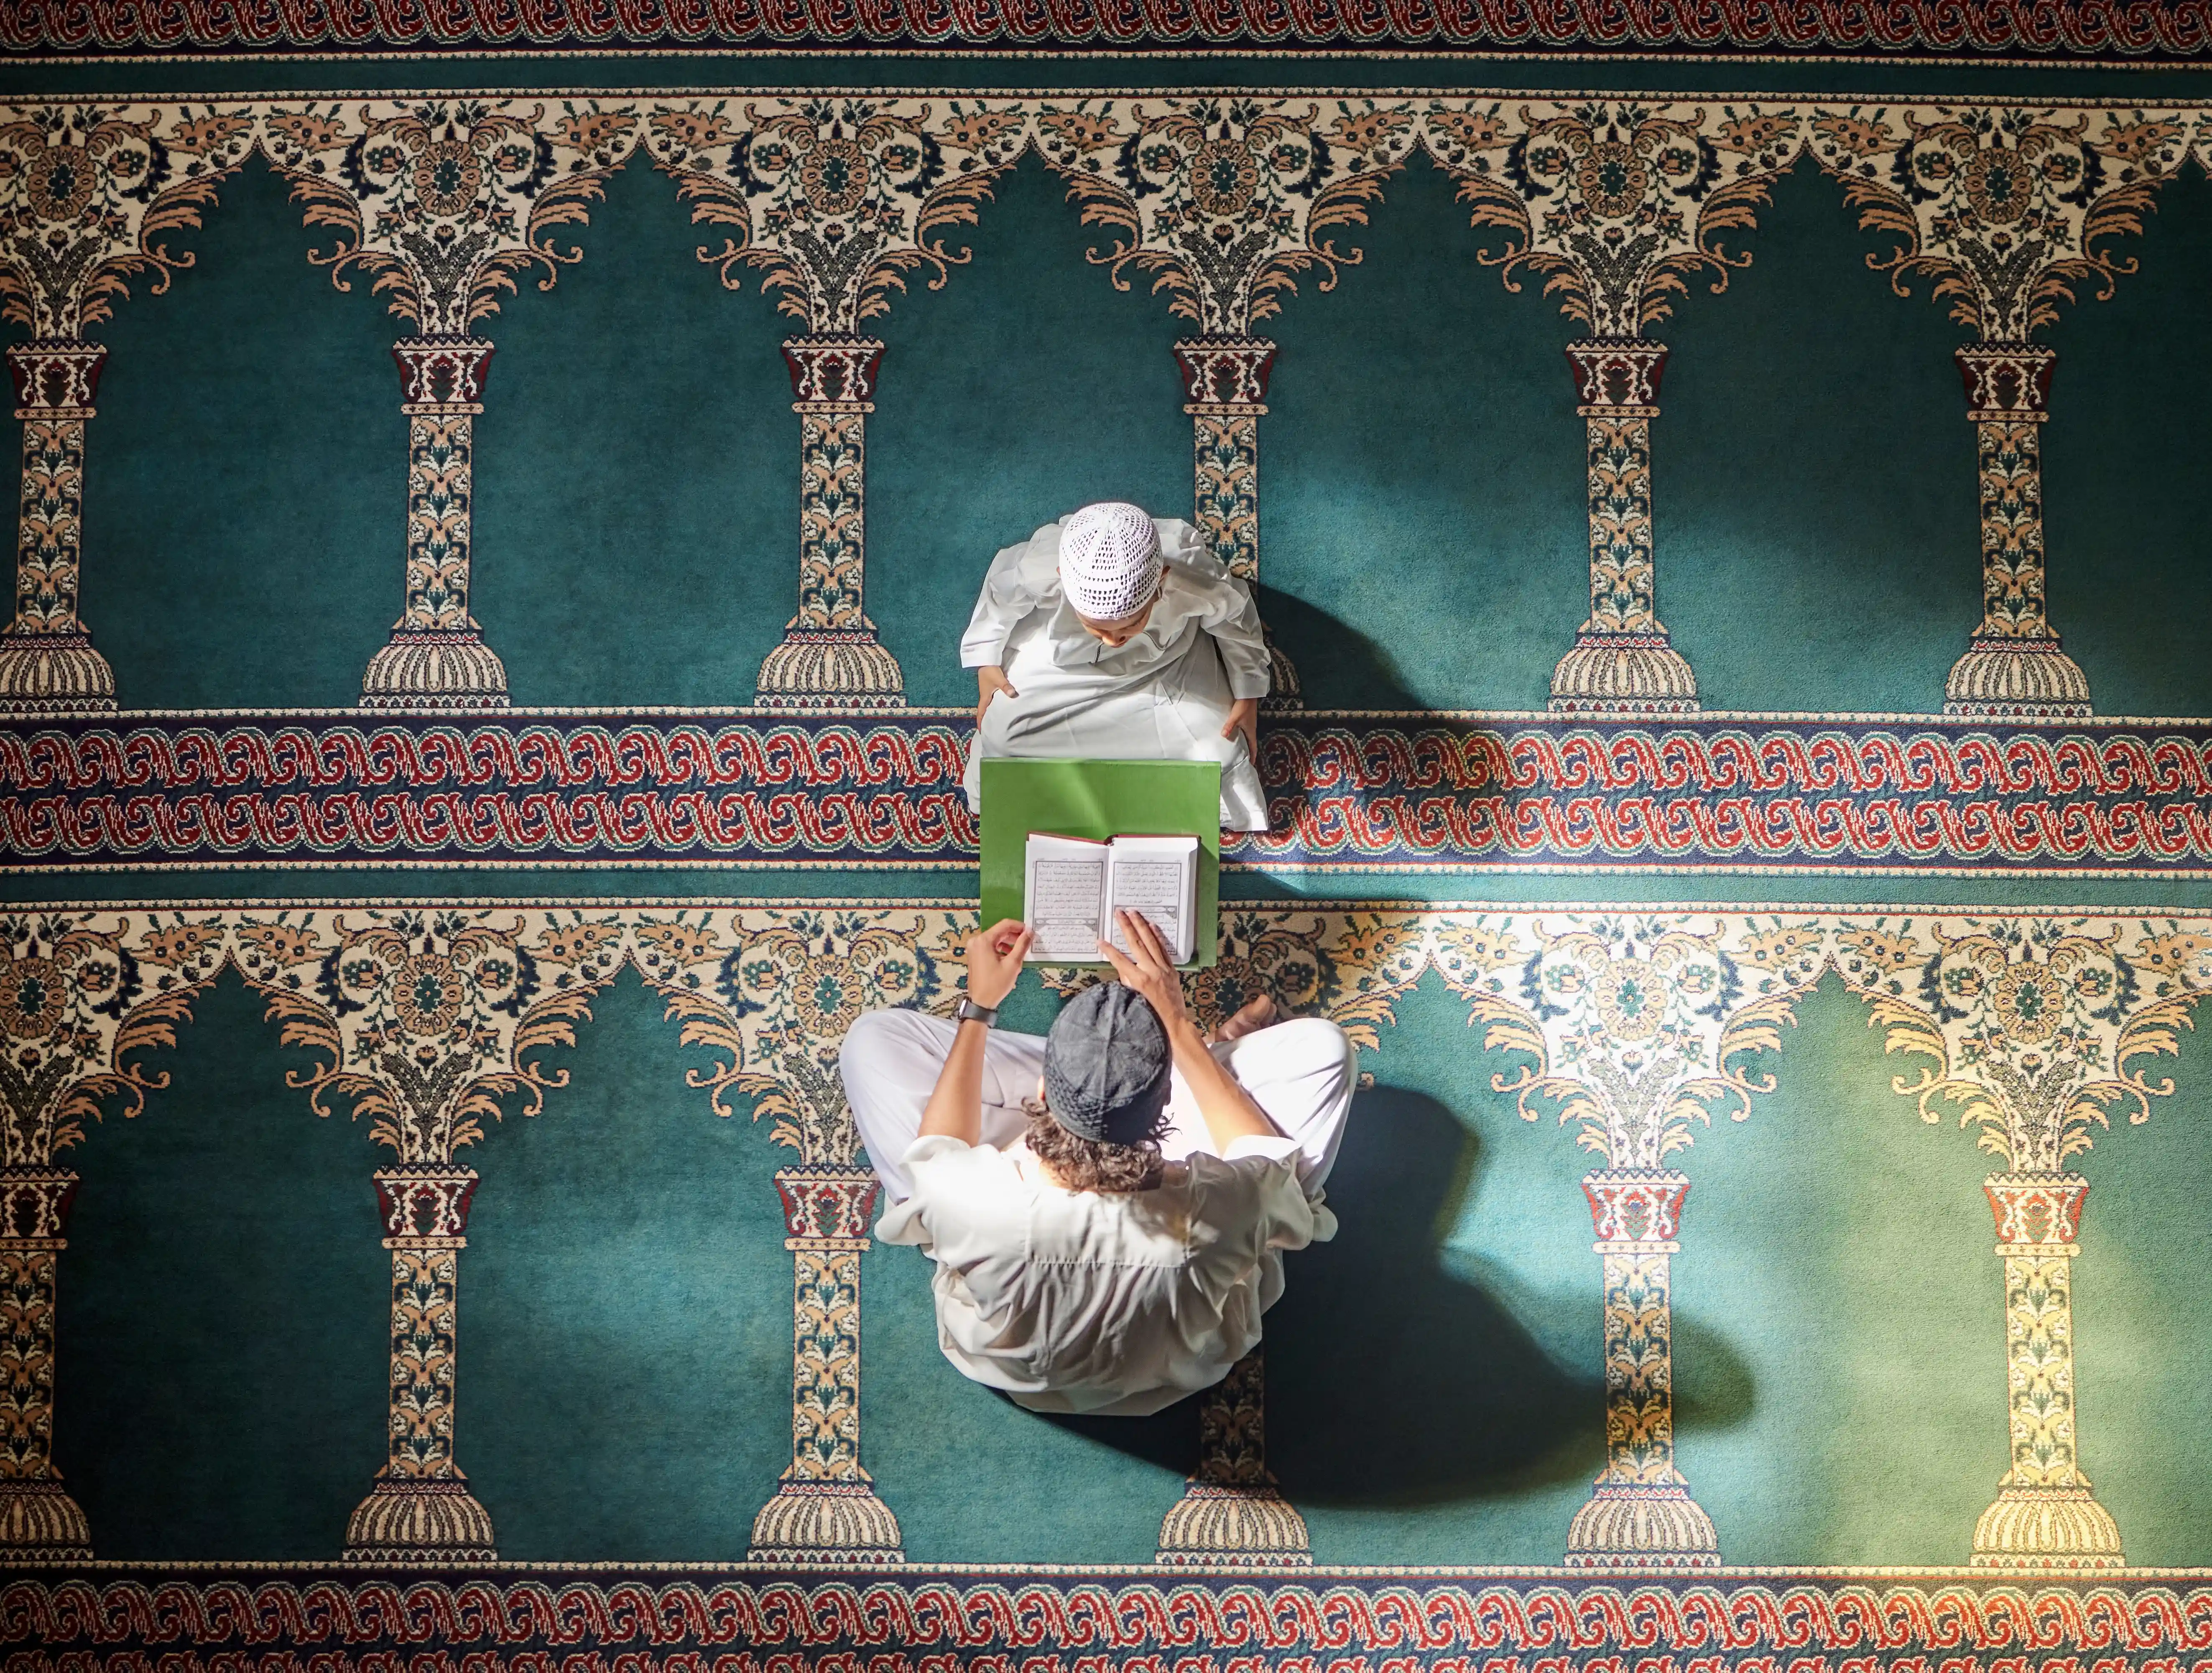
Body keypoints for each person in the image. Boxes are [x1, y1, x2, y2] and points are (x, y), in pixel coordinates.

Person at [838, 910, 1355, 1417]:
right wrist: (1181, 1030)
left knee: (871, 1042)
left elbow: (938, 1147)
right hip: (1176, 1363)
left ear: (1041, 1092)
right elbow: (1267, 1163)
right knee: (1325, 1053)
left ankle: (1138, 1082)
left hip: (1015, 1362)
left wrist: (979, 1007)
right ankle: (1203, 1069)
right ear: (1168, 1097)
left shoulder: (968, 1196)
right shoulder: (1225, 1201)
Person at [962, 500, 1272, 832]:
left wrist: (1248, 692)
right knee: (1002, 737)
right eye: (1097, 628)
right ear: (1062, 579)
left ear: (1160, 583)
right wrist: (986, 662)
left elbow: (1235, 617)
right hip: (1062, 668)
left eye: (1129, 626)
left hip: (1164, 667)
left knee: (1218, 754)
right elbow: (999, 595)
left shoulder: (1191, 575)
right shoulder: (1038, 566)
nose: (1113, 641)